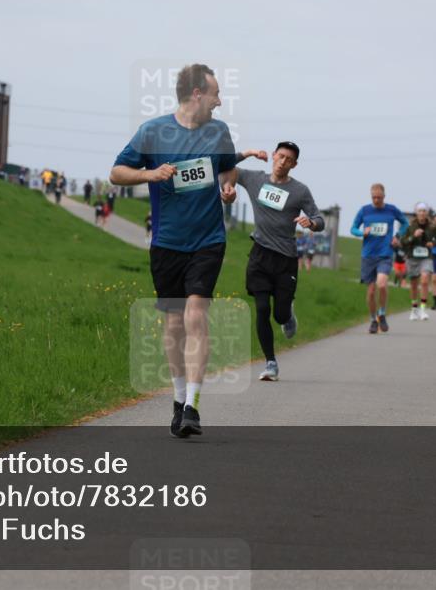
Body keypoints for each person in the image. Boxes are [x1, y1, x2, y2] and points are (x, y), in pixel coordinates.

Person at [109, 63, 236, 437]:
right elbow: (117, 172)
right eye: (216, 93)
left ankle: (194, 406)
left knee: (196, 314)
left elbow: (228, 169)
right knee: (175, 324)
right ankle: (179, 400)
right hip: (167, 242)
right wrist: (149, 174)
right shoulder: (153, 131)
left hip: (208, 240)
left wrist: (228, 187)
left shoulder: (219, 132)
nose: (220, 100)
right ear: (197, 94)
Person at [226, 142, 324, 381]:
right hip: (259, 254)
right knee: (261, 308)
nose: (283, 161)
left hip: (286, 259)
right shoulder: (254, 179)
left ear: (294, 164)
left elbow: (319, 218)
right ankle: (271, 363)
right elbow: (224, 167)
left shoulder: (300, 190)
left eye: (289, 159)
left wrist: (310, 223)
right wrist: (246, 155)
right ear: (273, 156)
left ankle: (288, 314)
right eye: (280, 156)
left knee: (279, 315)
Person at [350, 183, 408, 334]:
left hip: (385, 253)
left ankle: (382, 313)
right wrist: (363, 232)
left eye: (379, 197)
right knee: (370, 292)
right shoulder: (365, 210)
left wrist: (397, 236)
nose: (376, 200)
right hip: (368, 255)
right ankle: (372, 319)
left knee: (381, 284)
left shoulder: (391, 209)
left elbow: (405, 223)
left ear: (384, 196)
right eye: (373, 197)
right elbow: (353, 228)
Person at [401, 202, 436, 320]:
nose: (422, 213)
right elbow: (403, 241)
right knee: (413, 285)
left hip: (426, 257)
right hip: (412, 257)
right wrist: (413, 236)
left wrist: (432, 243)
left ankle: (423, 309)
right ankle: (414, 309)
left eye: (424, 211)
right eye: (420, 211)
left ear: (427, 213)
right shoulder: (410, 227)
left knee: (424, 280)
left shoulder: (433, 227)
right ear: (416, 213)